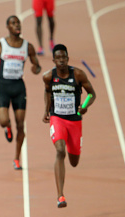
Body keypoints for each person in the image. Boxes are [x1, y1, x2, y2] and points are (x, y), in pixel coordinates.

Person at [0, 15, 41, 170]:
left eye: (18, 23)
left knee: (21, 125)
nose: (17, 25)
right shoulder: (0, 45)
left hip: (19, 89)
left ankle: (16, 158)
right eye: (13, 23)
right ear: (7, 27)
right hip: (4, 88)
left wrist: (36, 69)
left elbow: (37, 65)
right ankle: (7, 127)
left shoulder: (27, 47)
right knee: (3, 120)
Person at [42, 44, 95, 208]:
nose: (61, 61)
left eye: (64, 57)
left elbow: (92, 93)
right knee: (59, 150)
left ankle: (73, 153)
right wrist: (46, 110)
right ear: (54, 60)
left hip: (74, 120)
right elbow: (47, 92)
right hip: (57, 118)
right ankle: (60, 196)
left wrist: (85, 106)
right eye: (58, 58)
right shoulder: (48, 76)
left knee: (74, 161)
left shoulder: (78, 74)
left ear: (67, 58)